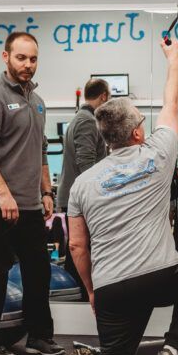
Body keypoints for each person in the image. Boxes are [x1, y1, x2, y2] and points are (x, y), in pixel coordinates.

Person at [37, 38, 178, 355]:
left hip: (112, 286)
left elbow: (78, 247)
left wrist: (93, 291)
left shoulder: (82, 183)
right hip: (160, 275)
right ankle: (171, 352)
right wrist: (174, 60)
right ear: (137, 134)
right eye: (142, 123)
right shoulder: (158, 155)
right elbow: (170, 106)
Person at [0, 31, 63, 355]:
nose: (28, 65)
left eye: (33, 59)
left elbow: (41, 152)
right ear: (5, 57)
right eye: (21, 58)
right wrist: (4, 193)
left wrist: (47, 191)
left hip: (29, 204)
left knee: (39, 271)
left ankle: (38, 336)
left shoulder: (37, 102)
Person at [56, 78, 110, 299]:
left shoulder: (80, 118)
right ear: (104, 97)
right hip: (81, 197)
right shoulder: (87, 121)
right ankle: (80, 293)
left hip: (75, 195)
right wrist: (99, 195)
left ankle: (76, 292)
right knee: (81, 248)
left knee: (78, 247)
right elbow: (85, 163)